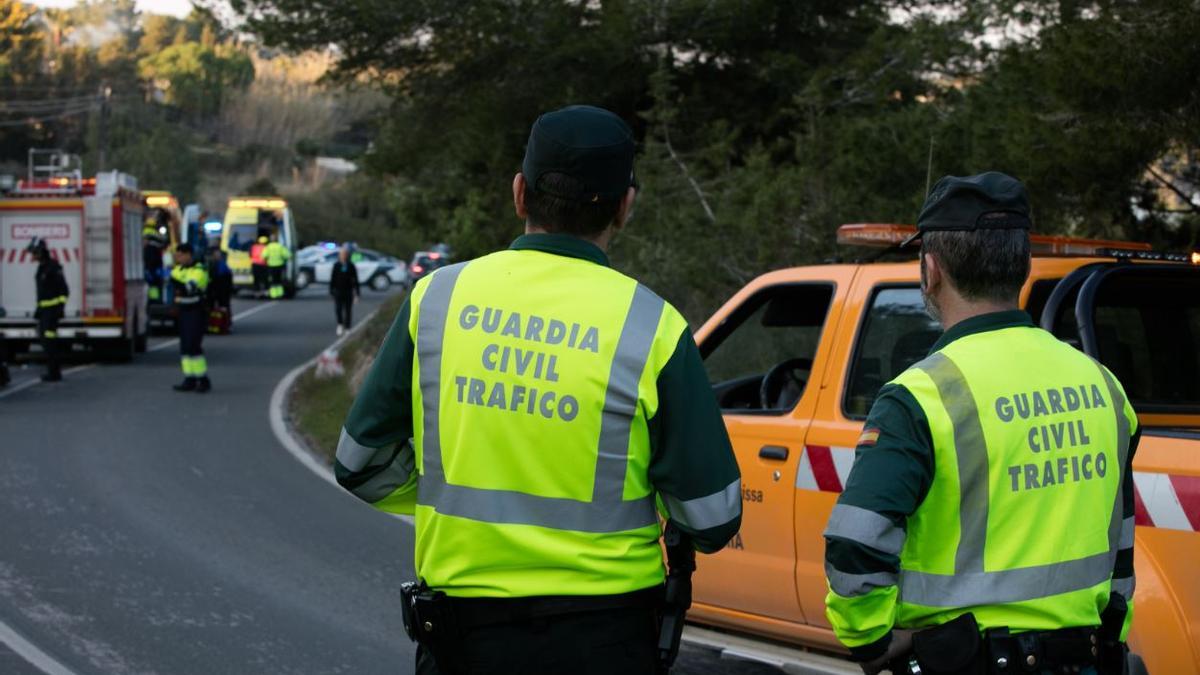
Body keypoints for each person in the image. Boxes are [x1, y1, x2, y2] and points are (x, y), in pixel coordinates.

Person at [334, 105, 742, 675]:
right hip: (607, 642)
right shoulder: (653, 328)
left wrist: (449, 498)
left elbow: (359, 463)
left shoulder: (437, 301)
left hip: (463, 640)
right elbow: (714, 517)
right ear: (626, 207)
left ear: (519, 192)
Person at [823, 173, 1138, 675]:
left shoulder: (919, 397)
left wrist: (869, 638)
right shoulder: (1104, 386)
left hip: (966, 663)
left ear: (931, 269)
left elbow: (855, 545)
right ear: (1023, 264)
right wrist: (1112, 632)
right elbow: (1121, 541)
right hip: (1085, 660)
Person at [170, 244, 211, 393]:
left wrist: (177, 284)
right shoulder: (179, 270)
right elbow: (175, 281)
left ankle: (203, 379)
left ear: (189, 255)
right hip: (183, 312)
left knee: (194, 346)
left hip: (196, 311)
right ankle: (189, 378)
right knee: (185, 347)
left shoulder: (199, 270)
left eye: (181, 255)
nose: (178, 258)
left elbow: (189, 288)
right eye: (177, 255)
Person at [29, 238, 68, 382]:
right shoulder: (42, 267)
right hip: (44, 312)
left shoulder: (53, 267)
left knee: (50, 343)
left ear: (40, 252)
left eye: (34, 253)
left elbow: (64, 291)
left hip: (51, 313)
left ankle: (54, 373)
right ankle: (53, 371)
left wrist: (59, 308)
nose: (32, 256)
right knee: (46, 342)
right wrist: (39, 309)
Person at [329, 245, 360, 336]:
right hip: (338, 291)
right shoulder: (336, 265)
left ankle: (347, 327)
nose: (343, 256)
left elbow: (355, 280)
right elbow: (333, 279)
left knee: (348, 310)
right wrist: (331, 290)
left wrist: (357, 293)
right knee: (338, 309)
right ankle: (340, 324)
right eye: (341, 254)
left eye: (344, 254)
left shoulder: (351, 265)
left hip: (348, 291)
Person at [207, 248, 234, 333]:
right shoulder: (214, 264)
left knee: (224, 307)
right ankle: (215, 325)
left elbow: (226, 279)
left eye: (218, 254)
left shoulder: (221, 265)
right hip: (216, 289)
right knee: (215, 308)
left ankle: (224, 325)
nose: (216, 256)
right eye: (215, 254)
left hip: (222, 290)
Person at [263, 232, 290, 299]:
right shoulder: (280, 246)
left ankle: (273, 295)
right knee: (279, 280)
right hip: (279, 266)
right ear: (277, 239)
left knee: (272, 281)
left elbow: (264, 256)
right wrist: (283, 260)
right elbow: (288, 255)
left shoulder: (268, 247)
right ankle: (280, 294)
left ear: (270, 240)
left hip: (271, 266)